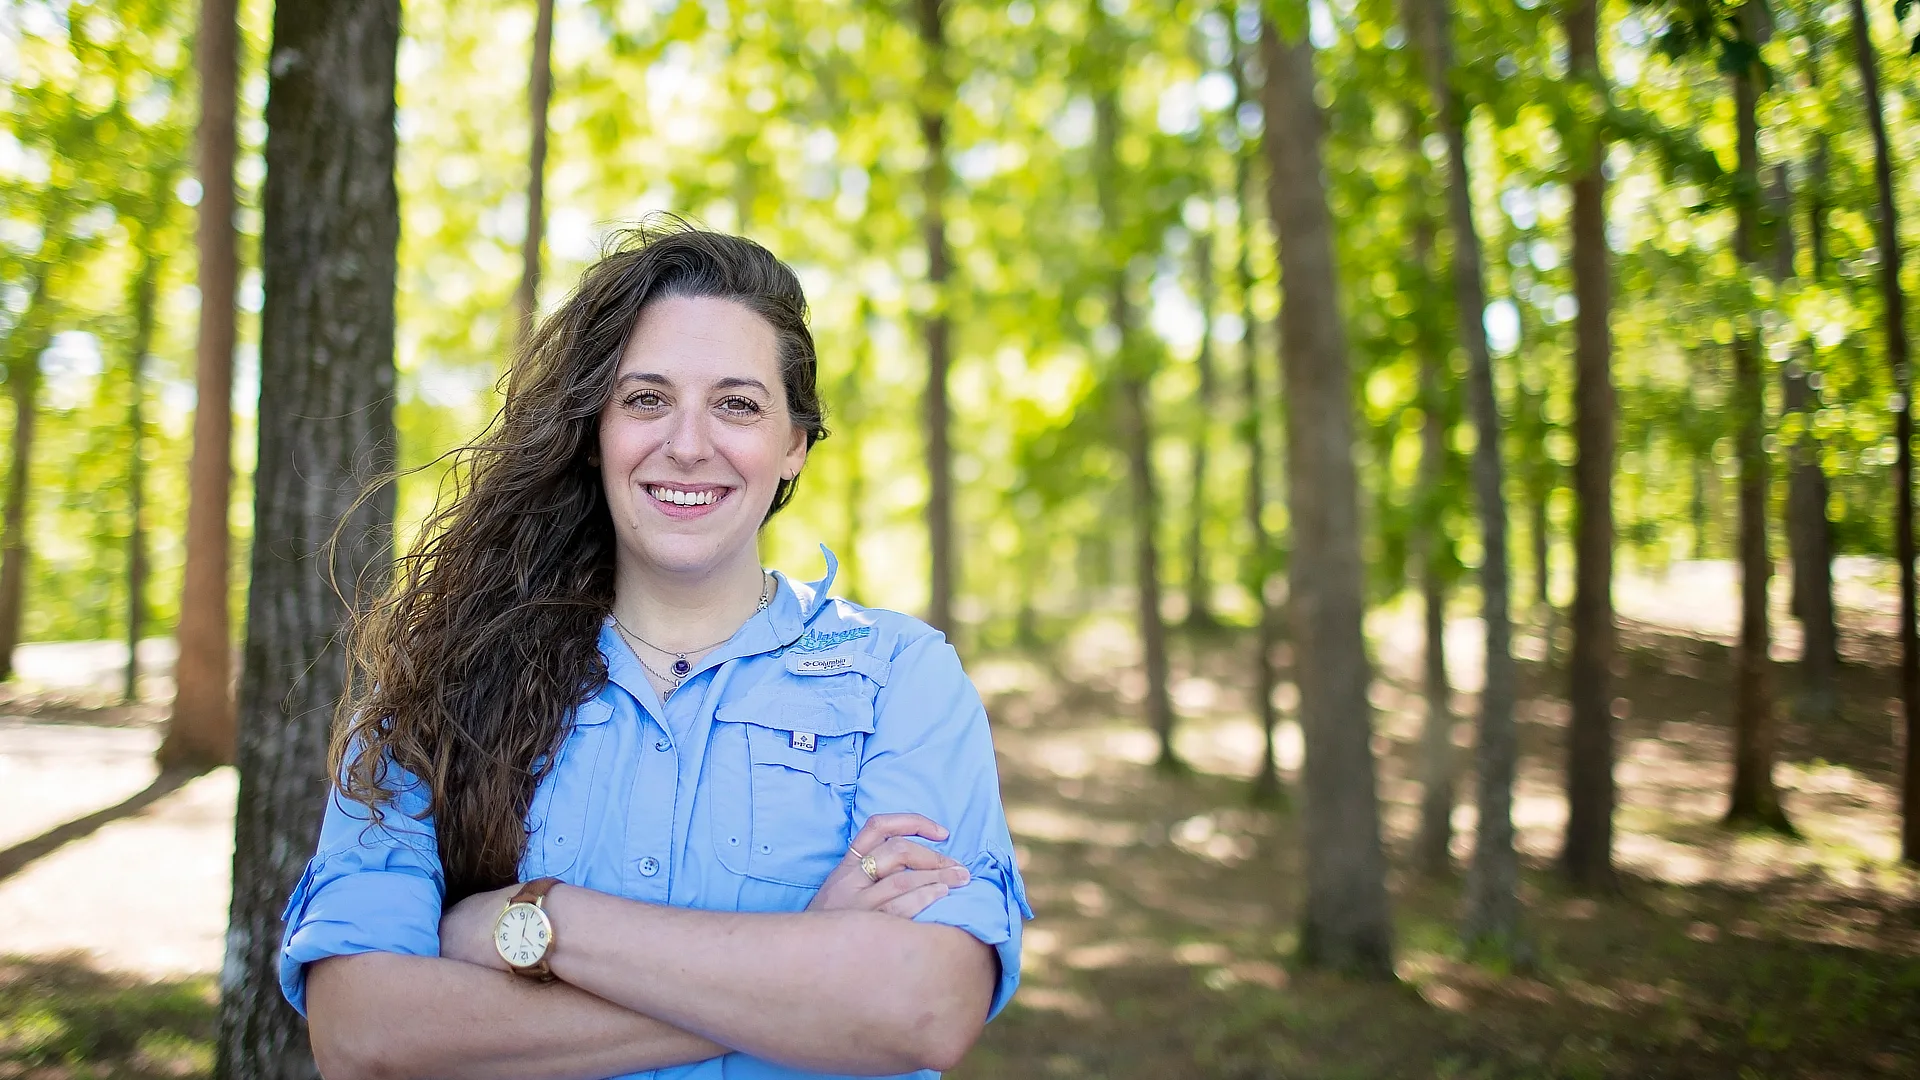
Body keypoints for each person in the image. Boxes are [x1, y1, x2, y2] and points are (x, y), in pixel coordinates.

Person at [278, 223, 1031, 1080]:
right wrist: (804, 976)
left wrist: (537, 922)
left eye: (737, 404)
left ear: (794, 444)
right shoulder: (441, 678)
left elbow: (920, 1009)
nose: (687, 442)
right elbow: (362, 1034)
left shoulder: (902, 676)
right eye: (645, 399)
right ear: (594, 427)